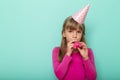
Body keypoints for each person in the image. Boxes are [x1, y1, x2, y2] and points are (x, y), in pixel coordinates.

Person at [52, 4, 97, 80]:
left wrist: (85, 58)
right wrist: (68, 54)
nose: (75, 36)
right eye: (70, 31)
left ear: (82, 34)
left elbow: (92, 77)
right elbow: (59, 75)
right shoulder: (57, 51)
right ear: (64, 33)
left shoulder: (88, 52)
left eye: (78, 32)